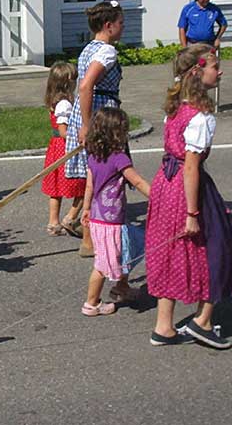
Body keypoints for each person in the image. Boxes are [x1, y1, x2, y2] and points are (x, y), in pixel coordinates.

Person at [145, 44, 232, 348]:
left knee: (172, 251)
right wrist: (192, 213)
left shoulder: (176, 109)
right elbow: (191, 167)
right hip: (187, 188)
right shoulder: (201, 117)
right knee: (221, 245)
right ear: (199, 72)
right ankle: (202, 321)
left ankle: (164, 326)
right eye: (216, 66)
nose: (220, 71)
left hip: (165, 183)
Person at [65, 0, 125, 257]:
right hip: (101, 115)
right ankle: (90, 238)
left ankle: (87, 230)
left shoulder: (90, 47)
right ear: (109, 26)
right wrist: (88, 126)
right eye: (121, 23)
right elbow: (86, 85)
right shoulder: (106, 52)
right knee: (104, 174)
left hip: (91, 110)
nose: (124, 27)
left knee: (96, 174)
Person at [80, 107, 150, 316]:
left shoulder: (94, 157)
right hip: (111, 222)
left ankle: (122, 286)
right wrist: (159, 197)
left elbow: (89, 186)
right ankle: (91, 303)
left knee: (130, 246)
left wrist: (85, 208)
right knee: (102, 264)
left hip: (98, 217)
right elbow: (136, 181)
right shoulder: (119, 158)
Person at [41, 62, 85, 236]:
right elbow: (63, 131)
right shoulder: (64, 104)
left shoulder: (54, 101)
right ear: (68, 83)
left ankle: (53, 222)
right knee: (84, 183)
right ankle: (70, 218)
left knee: (56, 186)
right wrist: (80, 138)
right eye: (74, 79)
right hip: (65, 147)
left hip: (56, 147)